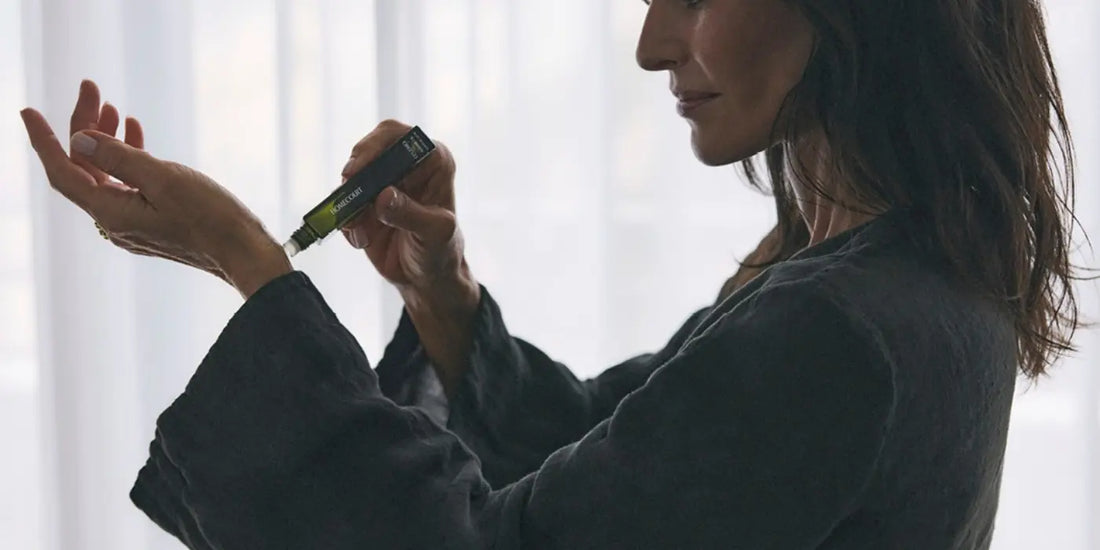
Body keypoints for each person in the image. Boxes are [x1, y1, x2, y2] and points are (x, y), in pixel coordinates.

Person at [19, 0, 1085, 548]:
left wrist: (248, 263)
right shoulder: (900, 270)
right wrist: (443, 293)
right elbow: (614, 475)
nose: (649, 44)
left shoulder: (839, 328)